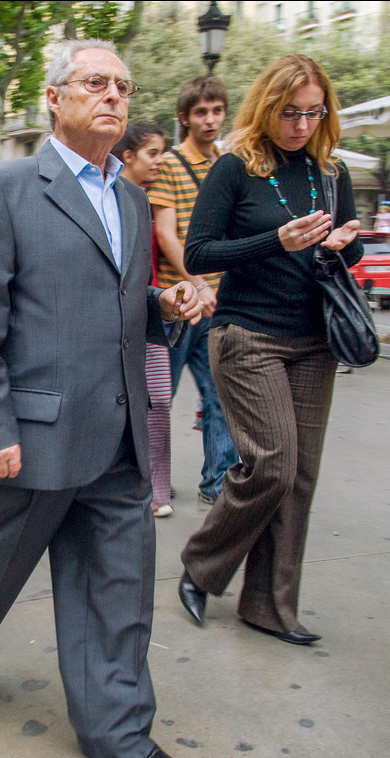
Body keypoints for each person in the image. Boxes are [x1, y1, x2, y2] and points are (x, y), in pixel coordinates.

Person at [0, 39, 204, 758]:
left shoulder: (136, 200)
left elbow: (118, 301)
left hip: (118, 437)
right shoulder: (5, 186)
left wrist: (164, 303)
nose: (112, 95)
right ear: (55, 96)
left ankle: (116, 730)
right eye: (94, 83)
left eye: (122, 85)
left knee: (118, 589)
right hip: (31, 435)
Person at [175, 54, 363, 646]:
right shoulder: (236, 168)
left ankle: (269, 607)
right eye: (290, 113)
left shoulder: (330, 172)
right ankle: (201, 565)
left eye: (313, 113)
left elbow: (348, 252)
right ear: (267, 108)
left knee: (299, 479)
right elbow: (199, 254)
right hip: (248, 335)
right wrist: (273, 241)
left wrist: (341, 246)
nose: (302, 124)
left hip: (315, 340)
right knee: (273, 466)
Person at [146, 75, 240, 507]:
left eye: (217, 110)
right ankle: (147, 480)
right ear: (184, 117)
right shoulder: (168, 164)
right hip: (178, 303)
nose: (210, 119)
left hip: (220, 304)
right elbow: (167, 234)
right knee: (161, 397)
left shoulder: (227, 162)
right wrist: (199, 282)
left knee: (222, 395)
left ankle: (218, 482)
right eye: (201, 111)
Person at [112, 122, 173, 518]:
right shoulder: (118, 200)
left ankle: (157, 490)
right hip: (125, 319)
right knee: (136, 403)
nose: (160, 160)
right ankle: (136, 483)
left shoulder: (148, 200)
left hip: (158, 311)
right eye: (153, 153)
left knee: (160, 400)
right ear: (129, 155)